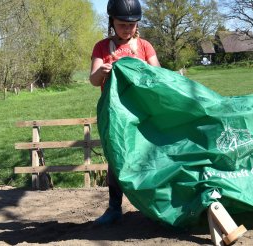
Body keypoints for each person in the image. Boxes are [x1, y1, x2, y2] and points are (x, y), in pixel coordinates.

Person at [89, 0, 160, 226]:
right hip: (115, 114)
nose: (127, 29)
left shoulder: (145, 47)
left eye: (132, 24)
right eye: (122, 25)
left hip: (142, 111)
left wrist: (144, 71)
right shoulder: (102, 47)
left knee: (150, 154)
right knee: (115, 158)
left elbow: (158, 76)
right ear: (112, 22)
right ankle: (114, 208)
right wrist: (102, 71)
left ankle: (155, 205)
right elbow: (93, 80)